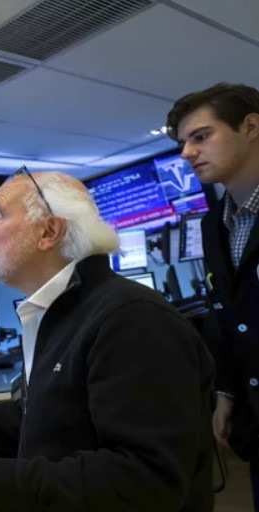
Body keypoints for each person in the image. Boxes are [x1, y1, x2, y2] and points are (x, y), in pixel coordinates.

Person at [0, 170, 215, 512]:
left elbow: (146, 480)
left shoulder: (132, 319)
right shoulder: (60, 312)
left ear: (49, 232)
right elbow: (41, 417)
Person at [167, 83, 259, 509]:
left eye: (201, 136)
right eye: (184, 143)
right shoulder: (213, 225)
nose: (187, 153)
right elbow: (227, 315)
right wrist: (226, 393)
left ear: (251, 127)